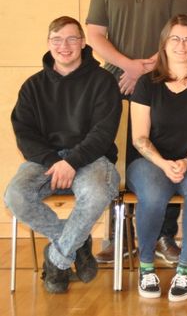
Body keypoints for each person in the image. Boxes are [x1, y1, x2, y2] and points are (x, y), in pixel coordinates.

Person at [86, 0, 187, 264]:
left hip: (162, 82)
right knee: (111, 156)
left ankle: (163, 236)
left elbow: (183, 34)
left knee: (161, 154)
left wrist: (145, 69)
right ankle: (119, 236)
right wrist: (128, 66)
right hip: (114, 84)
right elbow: (94, 35)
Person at [5, 17, 121, 294]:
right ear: (48, 43)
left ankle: (57, 260)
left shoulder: (103, 81)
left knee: (96, 192)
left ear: (82, 43)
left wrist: (71, 162)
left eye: (71, 39)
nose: (64, 46)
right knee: (15, 196)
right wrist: (54, 161)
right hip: (46, 160)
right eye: (57, 39)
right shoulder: (33, 86)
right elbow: (24, 134)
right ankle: (75, 244)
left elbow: (103, 133)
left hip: (92, 159)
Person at [128, 15, 187, 301]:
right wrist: (163, 163)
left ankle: (184, 269)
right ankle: (147, 267)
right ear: (163, 45)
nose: (181, 45)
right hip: (151, 163)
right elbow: (139, 137)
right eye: (175, 39)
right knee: (153, 194)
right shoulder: (147, 84)